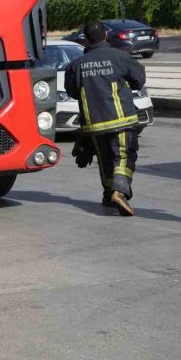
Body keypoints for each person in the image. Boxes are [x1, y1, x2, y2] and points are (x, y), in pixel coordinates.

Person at [65, 21, 146, 216]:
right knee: (123, 157)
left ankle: (108, 195)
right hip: (121, 120)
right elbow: (139, 80)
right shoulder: (120, 57)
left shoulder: (76, 65)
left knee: (105, 160)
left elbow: (73, 91)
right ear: (105, 36)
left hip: (93, 123)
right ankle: (119, 192)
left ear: (86, 40)